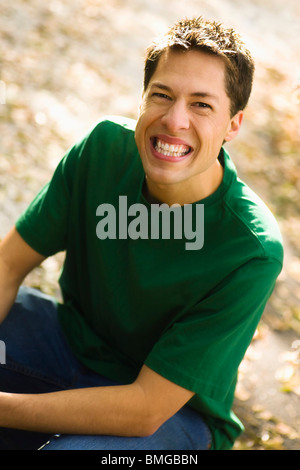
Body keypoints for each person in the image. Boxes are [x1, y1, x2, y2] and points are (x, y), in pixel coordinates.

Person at [0, 16, 283, 450]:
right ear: (142, 99)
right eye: (162, 96)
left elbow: (145, 410)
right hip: (70, 346)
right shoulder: (103, 150)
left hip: (172, 417)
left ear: (233, 125)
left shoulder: (252, 249)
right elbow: (7, 264)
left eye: (202, 105)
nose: (174, 120)